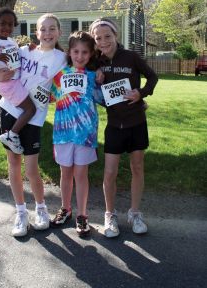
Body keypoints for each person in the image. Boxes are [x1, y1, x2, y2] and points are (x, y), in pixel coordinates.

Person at [0, 13, 66, 237]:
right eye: (43, 29)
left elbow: (82, 68)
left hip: (34, 118)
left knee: (32, 168)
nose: (47, 33)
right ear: (36, 33)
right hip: (9, 110)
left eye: (52, 28)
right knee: (13, 164)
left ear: (59, 32)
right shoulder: (24, 51)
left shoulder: (62, 58)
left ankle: (41, 208)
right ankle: (21, 212)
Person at [89, 18, 158, 237]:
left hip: (136, 122)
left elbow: (152, 77)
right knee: (110, 173)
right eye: (98, 38)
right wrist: (97, 80)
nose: (103, 41)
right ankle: (110, 215)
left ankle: (135, 213)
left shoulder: (130, 56)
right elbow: (77, 68)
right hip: (114, 126)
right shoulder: (95, 62)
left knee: (137, 168)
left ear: (115, 35)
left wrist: (141, 93)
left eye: (107, 36)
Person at [50, 31, 103, 237]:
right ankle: (65, 209)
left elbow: (105, 98)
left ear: (90, 55)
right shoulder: (59, 76)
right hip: (63, 133)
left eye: (84, 52)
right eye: (76, 51)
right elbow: (49, 98)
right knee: (65, 174)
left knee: (81, 174)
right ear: (69, 52)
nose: (80, 56)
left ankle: (82, 215)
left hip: (85, 134)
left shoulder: (94, 77)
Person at [0, 7, 36, 154]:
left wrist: (28, 47)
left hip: (16, 81)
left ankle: (14, 131)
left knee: (25, 108)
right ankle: (11, 135)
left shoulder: (12, 42)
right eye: (2, 23)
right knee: (30, 109)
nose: (6, 27)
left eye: (10, 24)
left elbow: (18, 57)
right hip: (7, 83)